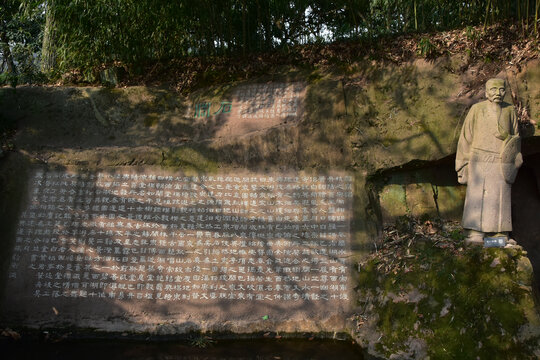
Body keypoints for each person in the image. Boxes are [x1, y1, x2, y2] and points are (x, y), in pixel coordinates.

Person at [455, 78, 523, 246]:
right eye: (493, 89)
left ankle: (500, 233)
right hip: (478, 159)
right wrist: (462, 162)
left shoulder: (510, 111)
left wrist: (505, 137)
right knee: (477, 196)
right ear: (486, 92)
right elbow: (465, 138)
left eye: (501, 89)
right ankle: (474, 232)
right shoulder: (477, 110)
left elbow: (516, 139)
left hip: (501, 161)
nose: (497, 93)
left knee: (500, 197)